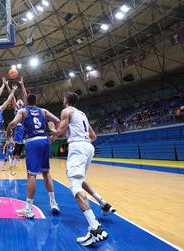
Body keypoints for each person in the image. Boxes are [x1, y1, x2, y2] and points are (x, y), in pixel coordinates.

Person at [49, 92, 114, 246]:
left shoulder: (66, 111)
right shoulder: (82, 113)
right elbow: (93, 136)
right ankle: (103, 204)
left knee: (75, 186)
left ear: (66, 100)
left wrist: (53, 130)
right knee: (80, 180)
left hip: (77, 147)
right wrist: (82, 142)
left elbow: (61, 131)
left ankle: (95, 228)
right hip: (88, 147)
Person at [7, 93, 60, 218]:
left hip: (33, 141)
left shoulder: (23, 111)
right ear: (35, 101)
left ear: (26, 102)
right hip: (45, 141)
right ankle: (53, 203)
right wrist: (54, 134)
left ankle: (29, 209)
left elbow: (13, 124)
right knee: (46, 172)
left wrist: (9, 131)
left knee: (31, 175)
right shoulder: (43, 111)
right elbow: (57, 121)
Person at [6, 77, 28, 174]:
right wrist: (8, 86)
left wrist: (22, 84)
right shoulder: (17, 108)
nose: (19, 101)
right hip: (19, 128)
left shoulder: (25, 107)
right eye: (18, 101)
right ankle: (12, 166)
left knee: (19, 151)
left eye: (21, 101)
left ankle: (13, 165)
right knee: (17, 148)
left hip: (25, 129)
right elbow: (12, 98)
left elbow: (25, 96)